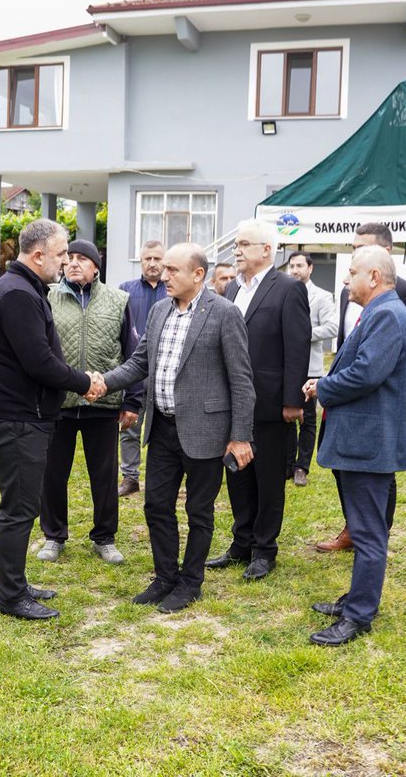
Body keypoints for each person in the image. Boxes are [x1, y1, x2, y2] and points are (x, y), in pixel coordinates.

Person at [97, 243, 254, 613]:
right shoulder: (158, 311)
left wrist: (241, 435)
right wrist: (103, 382)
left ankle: (190, 582)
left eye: (173, 270)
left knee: (199, 511)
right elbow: (139, 363)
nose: (163, 276)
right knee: (156, 506)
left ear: (198, 274)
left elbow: (242, 381)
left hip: (206, 431)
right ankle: (165, 576)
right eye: (163, 268)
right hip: (164, 429)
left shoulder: (224, 314)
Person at [0, 219, 95, 621]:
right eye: (61, 254)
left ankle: (14, 582)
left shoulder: (23, 288)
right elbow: (39, 362)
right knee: (20, 508)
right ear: (38, 254)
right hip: (14, 418)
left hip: (24, 415)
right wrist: (85, 383)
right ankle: (10, 595)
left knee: (21, 504)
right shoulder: (18, 294)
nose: (64, 262)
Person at [304, 245, 406, 646]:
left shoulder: (387, 313)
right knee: (370, 528)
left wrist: (323, 387)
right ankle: (357, 598)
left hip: (368, 445)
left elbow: (366, 373)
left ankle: (357, 617)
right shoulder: (381, 310)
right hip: (368, 442)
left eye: (351, 272)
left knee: (368, 534)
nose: (345, 279)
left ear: (374, 277)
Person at [206, 219, 310, 581]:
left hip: (270, 403)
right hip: (234, 402)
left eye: (244, 244)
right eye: (236, 244)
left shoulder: (288, 289)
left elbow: (297, 347)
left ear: (267, 249)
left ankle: (265, 549)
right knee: (238, 474)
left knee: (267, 478)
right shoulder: (232, 289)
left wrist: (292, 400)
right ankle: (241, 542)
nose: (236, 250)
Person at [315, 222, 406, 553]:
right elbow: (350, 345)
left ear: (377, 267)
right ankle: (358, 531)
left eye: (359, 252)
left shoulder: (395, 301)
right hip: (352, 412)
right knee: (350, 483)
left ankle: (368, 539)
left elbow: (381, 365)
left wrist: (326, 387)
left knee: (373, 505)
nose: (346, 276)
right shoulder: (363, 296)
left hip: (373, 417)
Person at [38, 240, 142, 566]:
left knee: (104, 475)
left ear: (96, 266)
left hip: (105, 403)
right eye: (69, 258)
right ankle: (54, 535)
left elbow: (133, 353)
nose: (73, 263)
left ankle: (104, 537)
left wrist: (133, 401)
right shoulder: (47, 297)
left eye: (82, 258)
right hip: (60, 401)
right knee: (53, 473)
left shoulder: (118, 300)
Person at [117, 240, 166, 497]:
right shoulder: (125, 291)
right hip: (134, 370)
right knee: (130, 424)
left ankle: (162, 477)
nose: (152, 263)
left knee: (162, 428)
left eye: (157, 258)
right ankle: (130, 477)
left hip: (165, 372)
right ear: (140, 259)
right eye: (148, 258)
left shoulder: (173, 291)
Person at [285, 252, 339, 488]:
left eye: (299, 266)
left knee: (307, 419)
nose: (295, 270)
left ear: (310, 268)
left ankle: (301, 467)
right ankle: (286, 463)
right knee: (285, 415)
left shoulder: (322, 296)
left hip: (309, 366)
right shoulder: (284, 290)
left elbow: (332, 327)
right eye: (291, 266)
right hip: (285, 365)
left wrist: (303, 334)